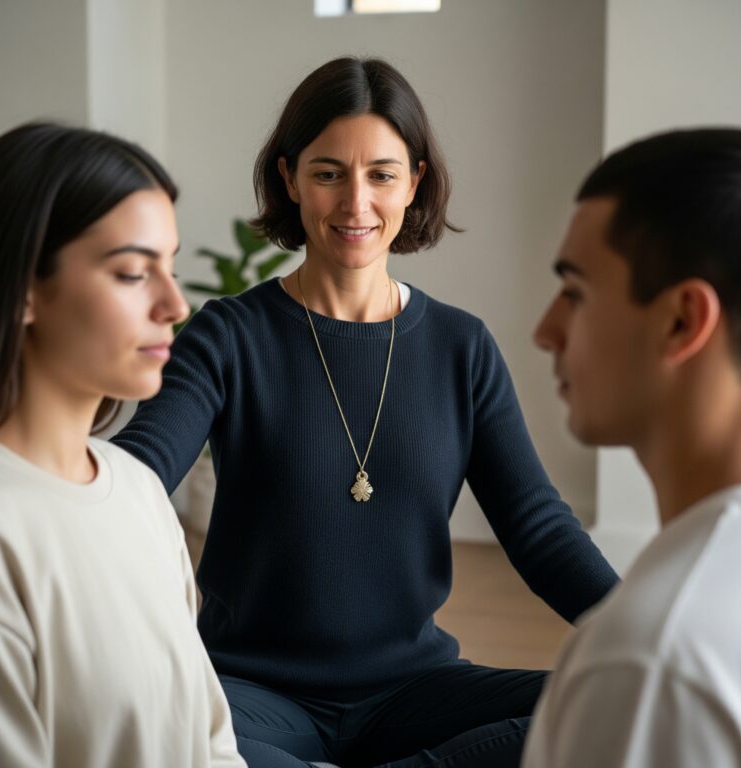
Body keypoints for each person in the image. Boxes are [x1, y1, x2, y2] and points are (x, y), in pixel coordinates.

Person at [113, 56, 617, 768]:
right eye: (328, 173)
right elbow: (135, 478)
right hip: (251, 691)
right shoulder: (229, 336)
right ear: (289, 179)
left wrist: (649, 634)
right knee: (167, 733)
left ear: (415, 182)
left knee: (616, 706)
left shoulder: (459, 345)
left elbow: (537, 527)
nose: (356, 203)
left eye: (381, 174)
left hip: (417, 689)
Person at [0, 122, 246, 767]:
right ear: (24, 288)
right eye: (133, 273)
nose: (176, 305)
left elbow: (212, 739)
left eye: (172, 266)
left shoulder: (136, 489)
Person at [523, 128, 741, 767]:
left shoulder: (654, 659)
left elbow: (532, 523)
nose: (546, 332)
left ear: (681, 320)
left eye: (576, 292)